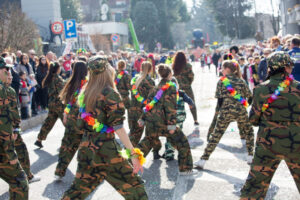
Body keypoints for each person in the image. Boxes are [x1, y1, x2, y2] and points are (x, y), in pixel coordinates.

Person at [61, 56, 148, 200]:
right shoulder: (110, 94)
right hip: (106, 150)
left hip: (86, 149)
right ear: (107, 71)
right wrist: (134, 155)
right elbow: (119, 127)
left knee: (76, 192)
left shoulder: (85, 93)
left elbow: (79, 124)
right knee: (135, 188)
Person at [240, 52, 299, 199]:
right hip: (297, 143)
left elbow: (252, 119)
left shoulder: (260, 90)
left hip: (268, 144)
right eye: (290, 65)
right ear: (286, 68)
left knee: (254, 188)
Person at [137, 64, 197, 175]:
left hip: (151, 122)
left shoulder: (156, 87)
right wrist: (172, 126)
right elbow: (171, 108)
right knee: (182, 143)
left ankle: (129, 165)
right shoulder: (171, 87)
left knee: (147, 143)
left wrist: (143, 118)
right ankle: (186, 169)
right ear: (170, 74)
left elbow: (149, 105)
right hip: (163, 123)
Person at [194, 60, 254, 169]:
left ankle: (203, 160)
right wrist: (243, 105)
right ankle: (250, 156)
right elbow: (250, 97)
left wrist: (220, 112)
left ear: (227, 69)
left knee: (216, 135)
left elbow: (220, 100)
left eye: (222, 68)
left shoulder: (222, 81)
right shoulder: (241, 81)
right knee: (249, 132)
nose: (221, 70)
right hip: (241, 111)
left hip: (226, 112)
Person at [0, 57, 29, 200]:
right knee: (20, 182)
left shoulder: (8, 90)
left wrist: (16, 129)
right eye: (6, 69)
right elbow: (3, 126)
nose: (9, 72)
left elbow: (13, 116)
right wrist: (11, 155)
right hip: (4, 149)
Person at [54, 61, 88, 180]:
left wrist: (65, 114)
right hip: (83, 119)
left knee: (67, 145)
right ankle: (83, 174)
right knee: (85, 148)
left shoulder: (71, 82)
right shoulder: (87, 84)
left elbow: (68, 102)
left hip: (71, 118)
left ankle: (60, 170)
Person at [6, 70, 41, 183]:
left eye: (11, 74)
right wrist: (16, 128)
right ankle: (26, 177)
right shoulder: (7, 91)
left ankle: (27, 176)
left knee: (21, 151)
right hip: (8, 130)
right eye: (8, 74)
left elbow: (15, 113)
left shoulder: (9, 89)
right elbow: (14, 113)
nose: (11, 77)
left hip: (11, 129)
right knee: (20, 151)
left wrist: (16, 128)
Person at [34, 62, 65, 148]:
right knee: (68, 123)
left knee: (48, 122)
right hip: (59, 104)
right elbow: (61, 92)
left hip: (51, 103)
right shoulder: (58, 78)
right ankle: (69, 142)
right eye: (59, 67)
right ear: (57, 69)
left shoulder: (49, 77)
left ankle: (39, 139)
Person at [129, 61, 156, 154]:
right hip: (142, 111)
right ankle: (128, 156)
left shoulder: (134, 79)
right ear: (150, 69)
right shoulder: (150, 81)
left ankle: (127, 154)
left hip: (132, 109)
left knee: (133, 132)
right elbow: (153, 98)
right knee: (138, 135)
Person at [172, 51, 199, 136]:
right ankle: (195, 120)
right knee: (191, 103)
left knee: (175, 105)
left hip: (177, 88)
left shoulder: (173, 66)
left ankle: (174, 120)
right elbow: (191, 76)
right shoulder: (188, 66)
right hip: (187, 88)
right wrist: (188, 83)